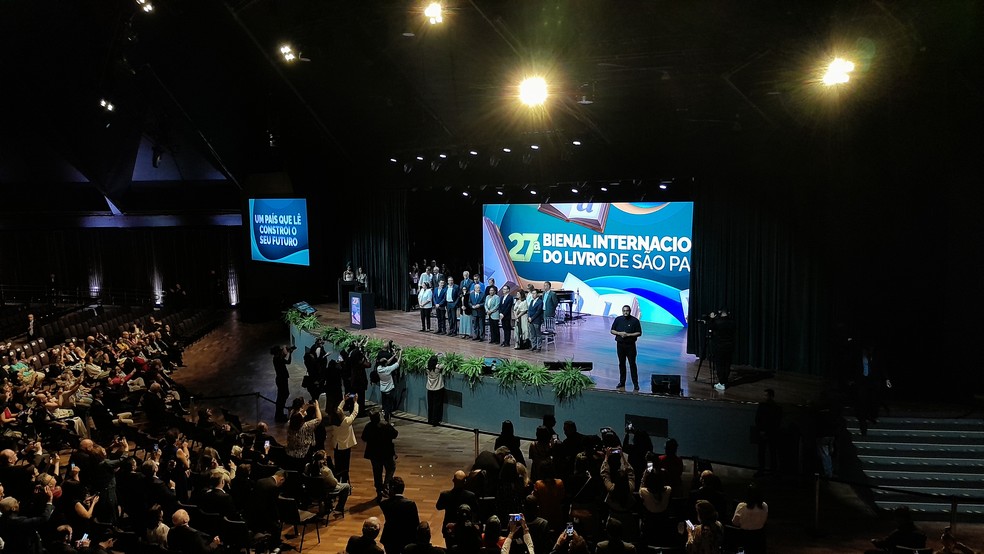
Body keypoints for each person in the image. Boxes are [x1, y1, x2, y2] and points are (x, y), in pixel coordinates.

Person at [362, 409, 399, 503]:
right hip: (387, 453)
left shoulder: (368, 426)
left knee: (377, 472)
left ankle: (379, 490)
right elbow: (395, 434)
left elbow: (364, 438)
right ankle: (386, 486)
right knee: (391, 468)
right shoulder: (385, 425)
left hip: (374, 455)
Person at [380, 476, 420, 554]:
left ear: (391, 489)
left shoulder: (384, 504)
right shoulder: (410, 504)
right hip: (407, 538)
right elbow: (416, 523)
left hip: (390, 538)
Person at [436, 471, 478, 541]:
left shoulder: (445, 495)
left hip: (449, 529)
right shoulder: (471, 496)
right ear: (465, 482)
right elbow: (476, 510)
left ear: (453, 481)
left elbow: (438, 507)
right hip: (465, 528)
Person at [610, 304, 643, 390]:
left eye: (627, 311)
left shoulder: (635, 321)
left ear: (630, 311)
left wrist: (628, 334)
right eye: (624, 311)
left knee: (632, 364)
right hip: (620, 345)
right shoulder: (618, 319)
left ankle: (635, 384)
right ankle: (622, 382)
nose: (625, 312)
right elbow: (612, 330)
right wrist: (619, 333)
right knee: (621, 364)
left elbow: (639, 333)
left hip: (630, 346)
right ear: (622, 311)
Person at [329, 394, 360, 482]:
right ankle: (345, 482)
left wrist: (344, 400)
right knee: (345, 466)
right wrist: (355, 402)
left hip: (337, 446)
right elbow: (355, 412)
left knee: (338, 465)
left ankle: (337, 481)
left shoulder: (334, 421)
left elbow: (338, 410)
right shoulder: (346, 421)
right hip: (345, 446)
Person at [754, 388, 782, 474]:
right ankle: (771, 471)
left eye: (766, 395)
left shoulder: (764, 406)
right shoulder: (776, 407)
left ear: (771, 396)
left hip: (769, 432)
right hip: (770, 432)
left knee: (768, 452)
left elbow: (759, 419)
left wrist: (762, 430)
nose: (764, 397)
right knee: (769, 452)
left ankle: (765, 470)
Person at [709, 309, 736, 392]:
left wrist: (712, 319)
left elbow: (710, 329)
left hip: (719, 347)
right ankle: (725, 380)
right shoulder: (732, 322)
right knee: (727, 364)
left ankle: (721, 383)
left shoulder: (717, 322)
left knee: (720, 365)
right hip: (729, 346)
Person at [376, 347, 402, 422]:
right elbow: (398, 363)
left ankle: (385, 417)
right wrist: (400, 354)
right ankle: (388, 422)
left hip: (383, 390)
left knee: (384, 405)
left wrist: (394, 355)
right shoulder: (388, 369)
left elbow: (386, 362)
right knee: (389, 407)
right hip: (389, 390)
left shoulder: (379, 368)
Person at [271, 344, 296, 422]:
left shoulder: (276, 358)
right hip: (282, 379)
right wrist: (290, 353)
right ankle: (279, 416)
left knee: (282, 396)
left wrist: (288, 351)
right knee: (282, 397)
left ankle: (279, 414)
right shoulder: (278, 359)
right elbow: (288, 361)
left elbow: (284, 357)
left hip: (281, 379)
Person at [425, 355, 445, 426]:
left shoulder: (427, 367)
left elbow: (427, 362)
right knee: (436, 405)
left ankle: (430, 420)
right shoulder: (438, 368)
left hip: (430, 389)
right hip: (437, 389)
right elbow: (444, 364)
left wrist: (432, 357)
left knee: (430, 405)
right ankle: (435, 421)